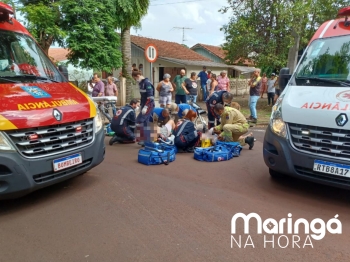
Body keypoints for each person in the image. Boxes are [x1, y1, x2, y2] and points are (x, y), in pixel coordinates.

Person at [132, 69, 155, 146]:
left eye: (135, 78)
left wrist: (145, 107)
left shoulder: (147, 83)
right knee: (146, 122)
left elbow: (150, 97)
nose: (136, 80)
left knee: (139, 121)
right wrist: (141, 105)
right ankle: (146, 140)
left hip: (149, 105)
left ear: (137, 76)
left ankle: (145, 139)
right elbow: (143, 97)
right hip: (145, 104)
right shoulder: (141, 83)